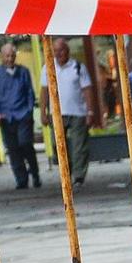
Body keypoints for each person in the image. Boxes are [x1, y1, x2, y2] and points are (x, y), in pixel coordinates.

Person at [0, 42, 40, 189]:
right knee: (13, 149)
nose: (10, 59)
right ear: (1, 56)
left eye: (12, 55)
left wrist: (29, 111)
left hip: (22, 114)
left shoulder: (23, 71)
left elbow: (30, 92)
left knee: (25, 144)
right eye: (7, 56)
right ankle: (21, 179)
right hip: (6, 116)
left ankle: (35, 172)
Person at [54, 41, 94, 186]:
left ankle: (78, 176)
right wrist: (44, 111)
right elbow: (44, 89)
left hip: (78, 111)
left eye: (61, 50)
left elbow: (87, 89)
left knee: (79, 146)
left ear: (67, 51)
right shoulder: (48, 67)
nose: (58, 54)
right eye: (55, 51)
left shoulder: (78, 67)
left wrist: (90, 111)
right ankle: (66, 173)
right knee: (59, 146)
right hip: (57, 113)